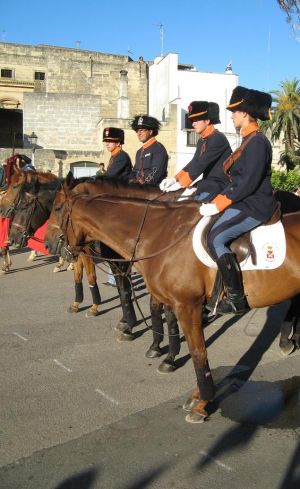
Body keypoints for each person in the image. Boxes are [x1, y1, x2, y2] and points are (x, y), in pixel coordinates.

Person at [199, 86, 278, 315]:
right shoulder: (247, 141)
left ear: (244, 113)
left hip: (255, 205)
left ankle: (236, 298)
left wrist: (218, 204)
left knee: (216, 237)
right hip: (243, 201)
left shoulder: (257, 143)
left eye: (234, 111)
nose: (231, 115)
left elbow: (248, 183)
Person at [160, 101, 232, 202]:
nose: (193, 124)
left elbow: (201, 164)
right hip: (207, 183)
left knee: (189, 208)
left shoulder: (218, 138)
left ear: (207, 121)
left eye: (196, 120)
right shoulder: (202, 140)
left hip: (220, 184)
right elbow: (194, 162)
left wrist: (181, 183)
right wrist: (175, 179)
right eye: (192, 120)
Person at [130, 115, 168, 184]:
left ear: (150, 132)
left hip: (153, 190)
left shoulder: (158, 148)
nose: (139, 133)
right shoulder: (139, 152)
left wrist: (141, 185)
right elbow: (134, 172)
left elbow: (156, 174)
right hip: (137, 189)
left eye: (141, 130)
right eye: (137, 131)